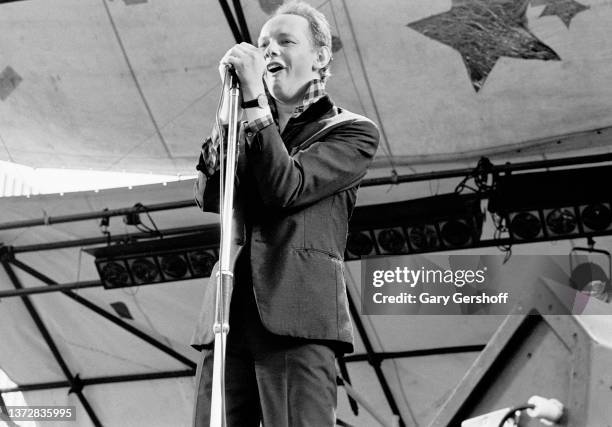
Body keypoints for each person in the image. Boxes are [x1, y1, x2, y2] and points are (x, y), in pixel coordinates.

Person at [191, 1, 379, 425]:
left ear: (320, 56)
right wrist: (227, 118)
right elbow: (208, 193)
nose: (269, 51)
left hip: (297, 317)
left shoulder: (350, 131)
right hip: (226, 314)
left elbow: (286, 187)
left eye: (285, 41)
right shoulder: (246, 123)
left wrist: (255, 105)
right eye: (263, 44)